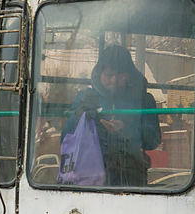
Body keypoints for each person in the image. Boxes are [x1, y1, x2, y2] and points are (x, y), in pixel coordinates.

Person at [66, 45, 161, 186]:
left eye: (121, 75)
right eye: (109, 75)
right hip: (90, 177)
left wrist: (126, 130)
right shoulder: (85, 99)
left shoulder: (144, 100)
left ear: (130, 74)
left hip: (132, 177)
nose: (114, 81)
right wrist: (79, 117)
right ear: (99, 74)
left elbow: (153, 140)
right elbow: (65, 138)